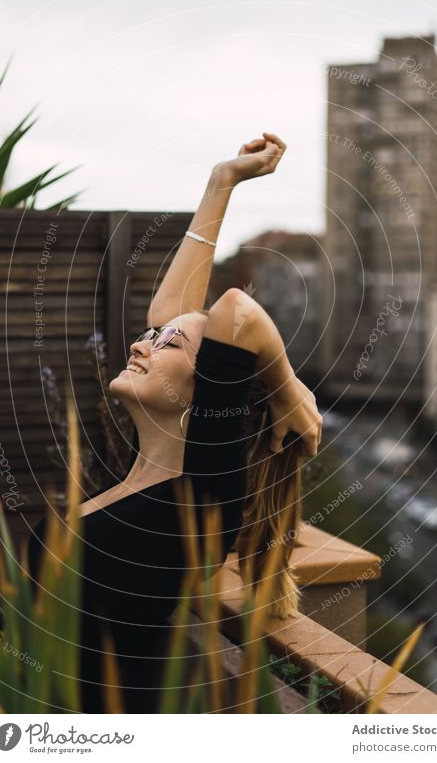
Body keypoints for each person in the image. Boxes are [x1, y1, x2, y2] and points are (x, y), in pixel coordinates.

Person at [24, 132, 323, 712]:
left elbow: (236, 310)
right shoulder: (134, 481)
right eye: (146, 337)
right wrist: (221, 183)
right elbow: (175, 316)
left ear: (205, 391)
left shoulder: (200, 496)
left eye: (163, 344)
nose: (142, 341)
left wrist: (287, 391)